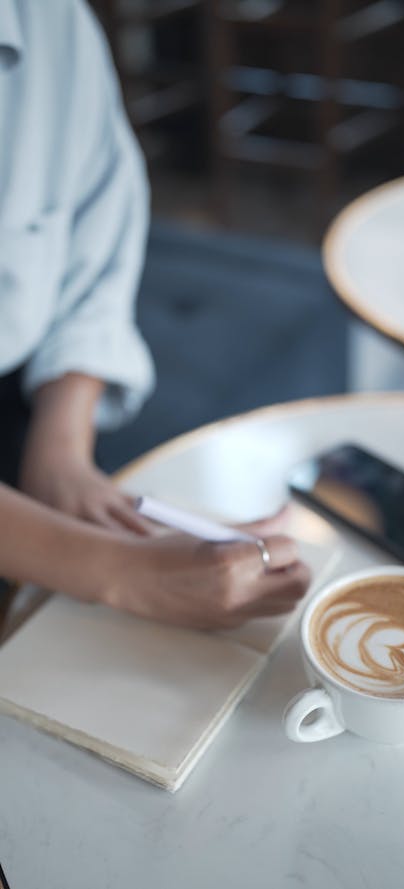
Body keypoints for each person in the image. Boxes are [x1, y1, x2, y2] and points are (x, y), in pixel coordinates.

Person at [0, 0, 310, 629]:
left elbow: (98, 218)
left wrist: (60, 449)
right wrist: (118, 572)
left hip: (27, 389)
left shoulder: (50, 21)